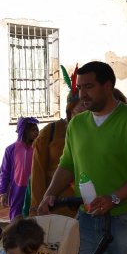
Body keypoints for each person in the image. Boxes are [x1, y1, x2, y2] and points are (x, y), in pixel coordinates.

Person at [38, 61, 127, 254]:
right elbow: (67, 164)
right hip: (88, 217)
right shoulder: (77, 125)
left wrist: (114, 198)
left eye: (89, 87)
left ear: (108, 85)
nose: (82, 94)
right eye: (80, 88)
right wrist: (50, 193)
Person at [29, 81, 86, 218]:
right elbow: (38, 174)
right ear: (70, 109)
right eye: (81, 110)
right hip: (56, 208)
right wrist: (36, 209)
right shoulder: (50, 132)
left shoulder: (95, 132)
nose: (86, 115)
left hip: (89, 209)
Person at [0, 117, 39, 220]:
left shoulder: (38, 149)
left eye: (37, 129)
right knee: (16, 217)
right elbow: (4, 172)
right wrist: (3, 192)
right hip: (17, 189)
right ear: (24, 131)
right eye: (32, 130)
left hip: (33, 188)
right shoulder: (11, 149)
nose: (36, 132)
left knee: (32, 215)